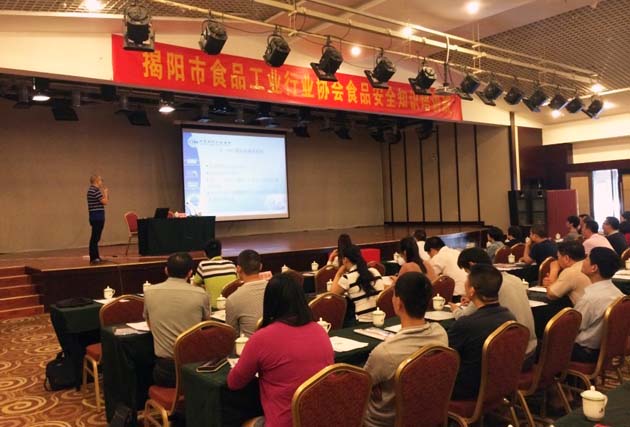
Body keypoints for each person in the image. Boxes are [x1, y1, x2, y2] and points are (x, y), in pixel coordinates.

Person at [227, 273, 333, 427]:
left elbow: (234, 383)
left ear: (270, 302)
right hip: (320, 419)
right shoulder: (320, 331)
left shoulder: (261, 338)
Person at [363, 272, 448, 427]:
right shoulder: (441, 333)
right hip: (428, 415)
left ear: (398, 303)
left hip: (384, 422)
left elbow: (359, 389)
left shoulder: (385, 352)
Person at [453, 248, 537, 365]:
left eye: (467, 273)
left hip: (513, 359)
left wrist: (455, 309)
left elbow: (464, 316)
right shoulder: (513, 279)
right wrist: (473, 299)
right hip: (530, 349)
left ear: (472, 265)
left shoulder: (487, 285)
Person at [448, 264, 516, 400]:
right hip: (500, 382)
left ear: (472, 291)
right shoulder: (509, 316)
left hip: (469, 390)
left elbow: (444, 359)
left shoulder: (466, 324)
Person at [143, 252, 210, 387]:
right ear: (190, 273)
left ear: (166, 270)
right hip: (194, 370)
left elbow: (149, 322)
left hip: (164, 370)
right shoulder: (201, 294)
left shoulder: (149, 292)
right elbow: (205, 325)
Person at [572, 247, 624, 363]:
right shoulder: (619, 294)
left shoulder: (590, 299)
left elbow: (572, 328)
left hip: (585, 353)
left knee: (542, 346)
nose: (583, 261)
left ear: (594, 268)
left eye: (587, 259)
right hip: (606, 350)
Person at [331, 244, 384, 317]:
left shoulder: (347, 278)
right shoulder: (374, 271)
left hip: (361, 319)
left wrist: (338, 274)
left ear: (345, 259)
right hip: (379, 316)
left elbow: (332, 295)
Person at [226, 249, 267, 337]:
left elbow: (232, 335)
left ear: (238, 269)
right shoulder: (276, 289)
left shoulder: (233, 299)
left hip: (250, 344)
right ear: (260, 266)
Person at [192, 239, 237, 308]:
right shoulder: (231, 264)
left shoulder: (203, 265)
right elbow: (236, 282)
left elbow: (195, 285)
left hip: (213, 308)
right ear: (221, 252)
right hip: (233, 306)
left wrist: (206, 287)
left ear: (205, 253)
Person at [543, 241, 591, 305]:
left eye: (558, 257)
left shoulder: (571, 271)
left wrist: (554, 270)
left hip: (578, 310)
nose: (557, 261)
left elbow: (551, 295)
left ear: (566, 258)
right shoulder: (587, 266)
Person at [86, 174, 109, 264]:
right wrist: (106, 193)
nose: (101, 182)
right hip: (97, 217)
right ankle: (93, 257)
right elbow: (105, 202)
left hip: (96, 217)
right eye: (100, 180)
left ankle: (96, 256)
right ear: (96, 181)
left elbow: (103, 201)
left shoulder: (92, 190)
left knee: (96, 238)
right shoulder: (94, 190)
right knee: (95, 238)